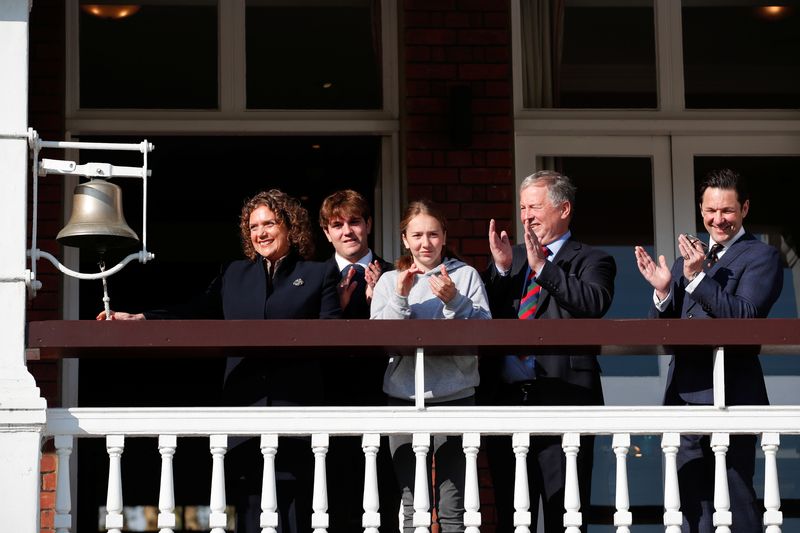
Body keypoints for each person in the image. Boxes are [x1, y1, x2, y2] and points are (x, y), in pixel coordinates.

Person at [98, 189, 342, 533]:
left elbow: (331, 335)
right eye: (254, 226)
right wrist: (142, 318)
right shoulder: (234, 274)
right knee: (247, 506)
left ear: (290, 226)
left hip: (295, 406)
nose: (261, 233)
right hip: (242, 407)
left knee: (294, 510)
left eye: (270, 223)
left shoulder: (318, 274)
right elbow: (195, 311)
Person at [634, 168, 782, 533]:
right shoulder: (698, 258)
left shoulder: (762, 256)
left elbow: (745, 317)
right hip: (684, 396)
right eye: (710, 211)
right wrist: (665, 291)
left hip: (732, 395)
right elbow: (667, 334)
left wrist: (698, 278)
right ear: (701, 210)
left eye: (728, 211)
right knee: (689, 505)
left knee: (736, 500)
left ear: (744, 209)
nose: (719, 219)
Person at [481, 170, 616, 533]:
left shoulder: (593, 259)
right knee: (513, 518)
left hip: (565, 400)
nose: (526, 216)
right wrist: (503, 268)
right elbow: (485, 316)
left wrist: (543, 267)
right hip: (507, 405)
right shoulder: (512, 261)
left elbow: (593, 301)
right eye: (523, 207)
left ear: (564, 208)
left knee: (565, 518)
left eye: (535, 207)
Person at [370, 199, 491, 533]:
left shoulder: (465, 276)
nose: (426, 243)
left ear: (444, 236)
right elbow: (382, 340)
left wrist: (455, 300)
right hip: (404, 397)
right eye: (418, 235)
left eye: (433, 234)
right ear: (405, 240)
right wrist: (400, 297)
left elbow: (484, 331)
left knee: (454, 505)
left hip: (457, 395)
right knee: (411, 504)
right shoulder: (388, 281)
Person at [317, 189, 399, 533]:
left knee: (386, 504)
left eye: (354, 222)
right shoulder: (309, 278)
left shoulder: (397, 274)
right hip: (326, 405)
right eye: (337, 224)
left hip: (384, 403)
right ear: (327, 232)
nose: (347, 231)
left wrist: (385, 297)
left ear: (368, 225)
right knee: (329, 505)